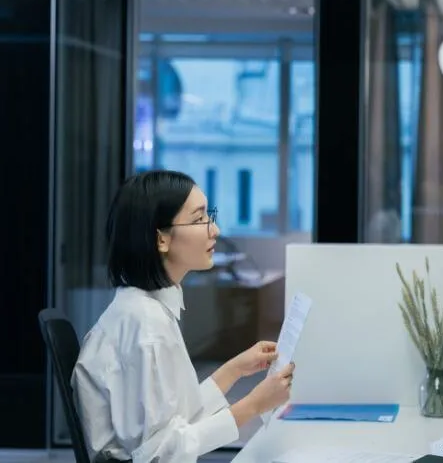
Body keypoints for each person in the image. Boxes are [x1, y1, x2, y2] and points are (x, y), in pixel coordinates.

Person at [73, 171, 295, 462]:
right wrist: (253, 405)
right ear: (161, 239)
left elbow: (175, 420)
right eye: (199, 218)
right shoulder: (145, 323)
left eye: (209, 215)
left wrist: (234, 370)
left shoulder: (142, 309)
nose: (214, 230)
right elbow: (159, 453)